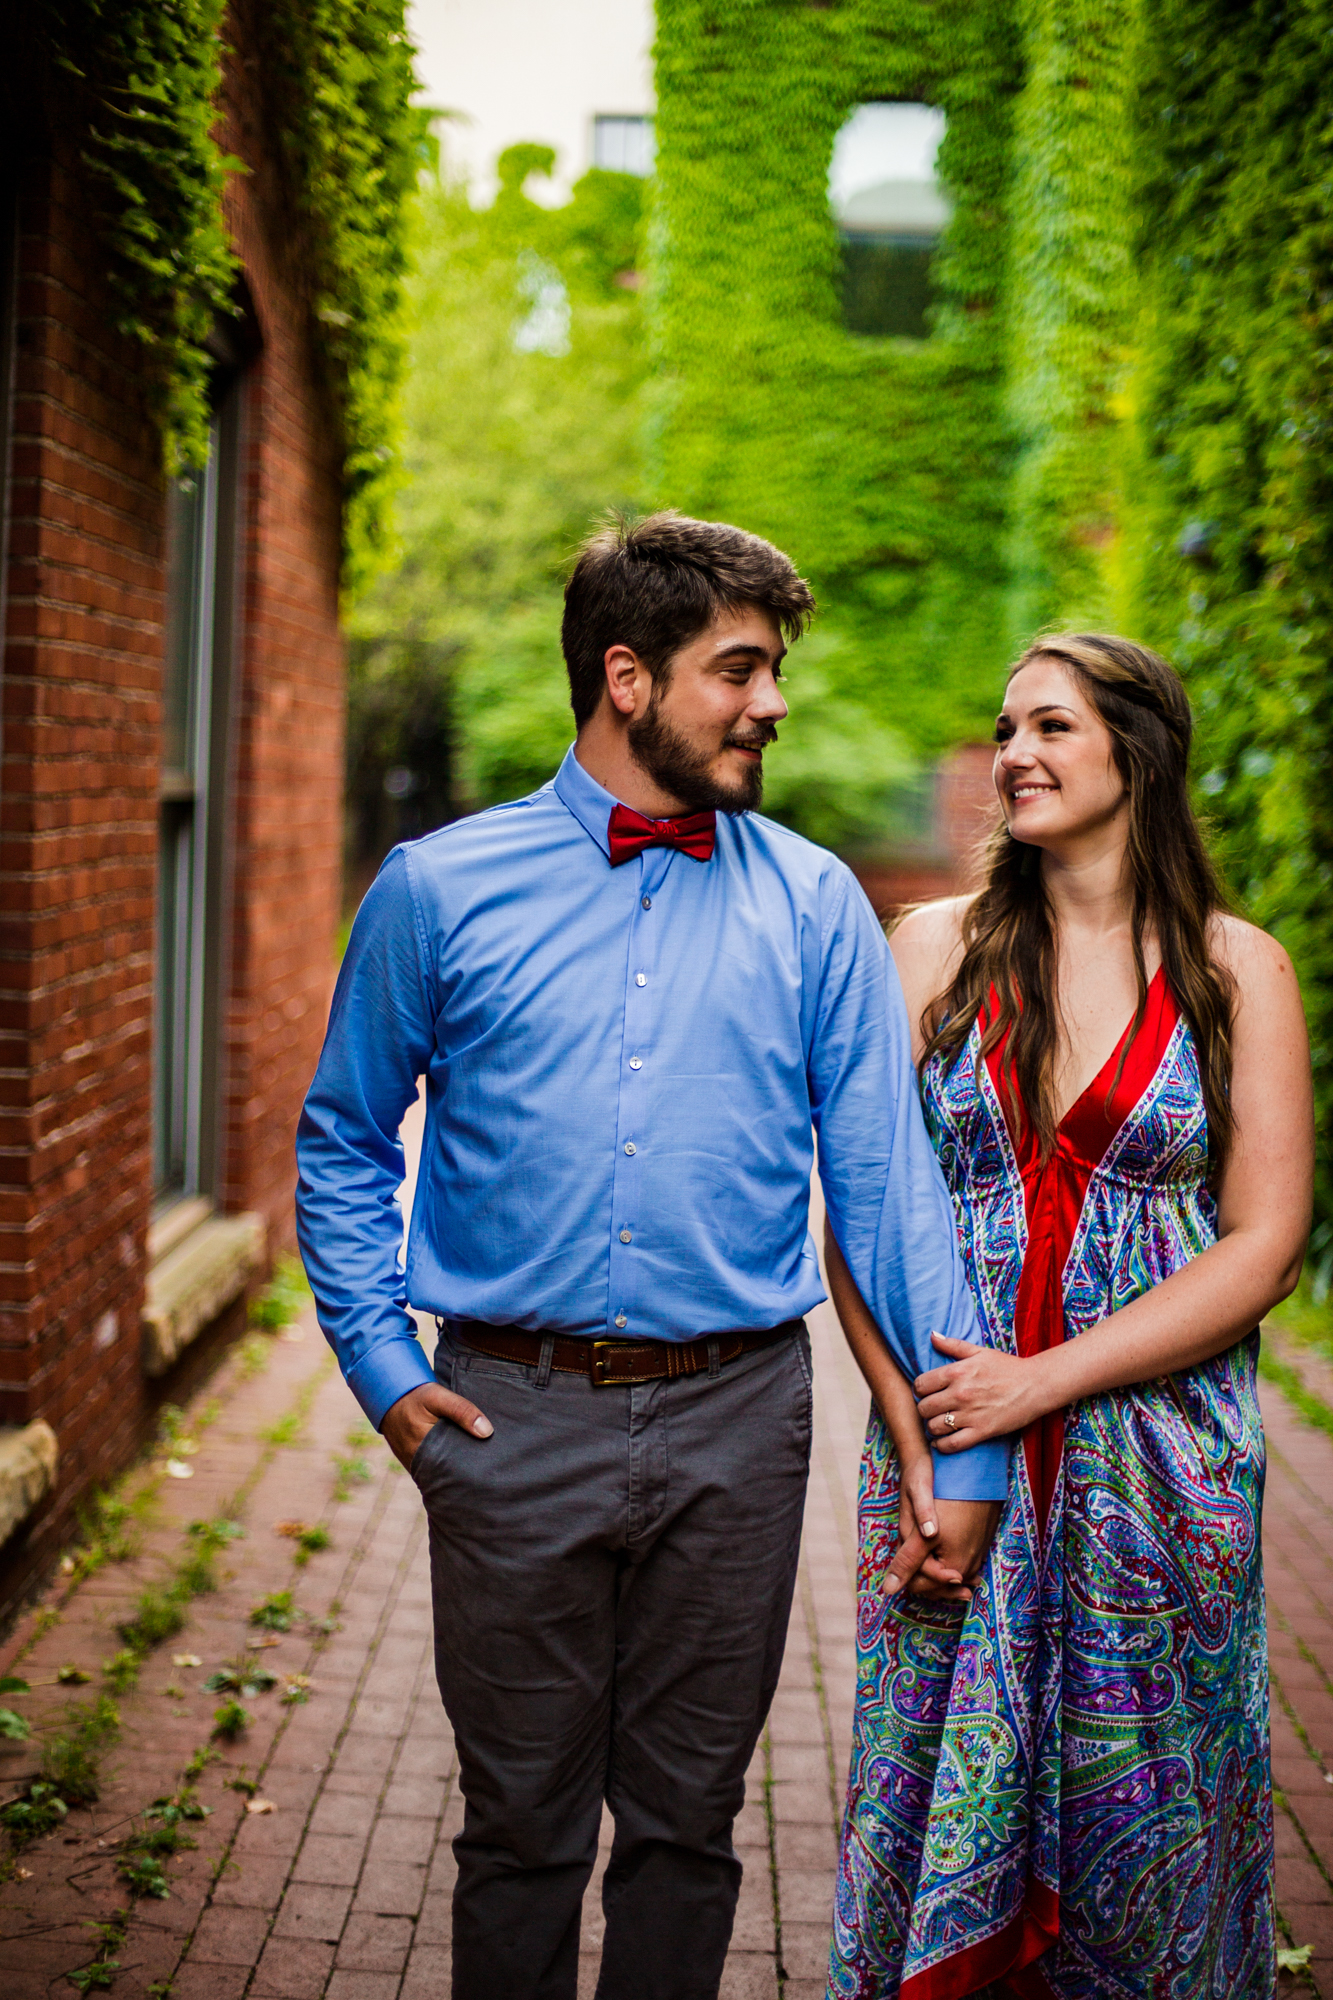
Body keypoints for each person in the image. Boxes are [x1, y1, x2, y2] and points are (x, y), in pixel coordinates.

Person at [295, 511, 1007, 2000]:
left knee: (687, 1833)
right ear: (626, 677)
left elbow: (885, 1181)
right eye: (737, 669)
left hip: (740, 1426)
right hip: (508, 1416)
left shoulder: (815, 902)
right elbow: (346, 1136)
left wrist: (966, 1460)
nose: (772, 701)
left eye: (774, 670)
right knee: (519, 1835)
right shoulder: (436, 892)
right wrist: (381, 1369)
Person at [825, 632, 1311, 1999]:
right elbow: (858, 1223)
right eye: (1004, 730)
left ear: (1134, 752)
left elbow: (1264, 1244)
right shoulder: (927, 949)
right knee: (927, 1798)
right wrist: (934, 1457)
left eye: (1049, 727)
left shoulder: (1234, 972)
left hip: (1157, 1474)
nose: (1012, 757)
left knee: (1151, 1827)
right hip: (945, 1449)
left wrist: (1040, 1384)